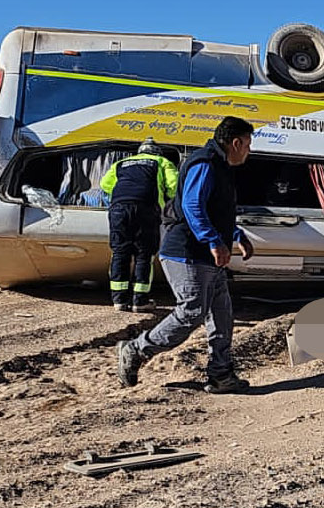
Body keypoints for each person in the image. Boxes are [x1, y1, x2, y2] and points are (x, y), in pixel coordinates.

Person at [116, 117, 256, 394]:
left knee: (221, 314)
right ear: (236, 142)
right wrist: (214, 241)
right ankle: (136, 350)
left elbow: (215, 211)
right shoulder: (205, 163)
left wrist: (237, 236)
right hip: (186, 252)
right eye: (248, 145)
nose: (249, 151)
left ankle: (220, 374)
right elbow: (193, 206)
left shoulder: (221, 167)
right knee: (191, 312)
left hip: (206, 256)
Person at [100, 138, 179, 313]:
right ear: (156, 152)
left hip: (119, 209)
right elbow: (174, 187)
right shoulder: (162, 162)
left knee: (120, 252)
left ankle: (119, 301)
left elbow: (105, 185)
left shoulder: (121, 163)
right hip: (146, 209)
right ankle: (140, 301)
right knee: (144, 254)